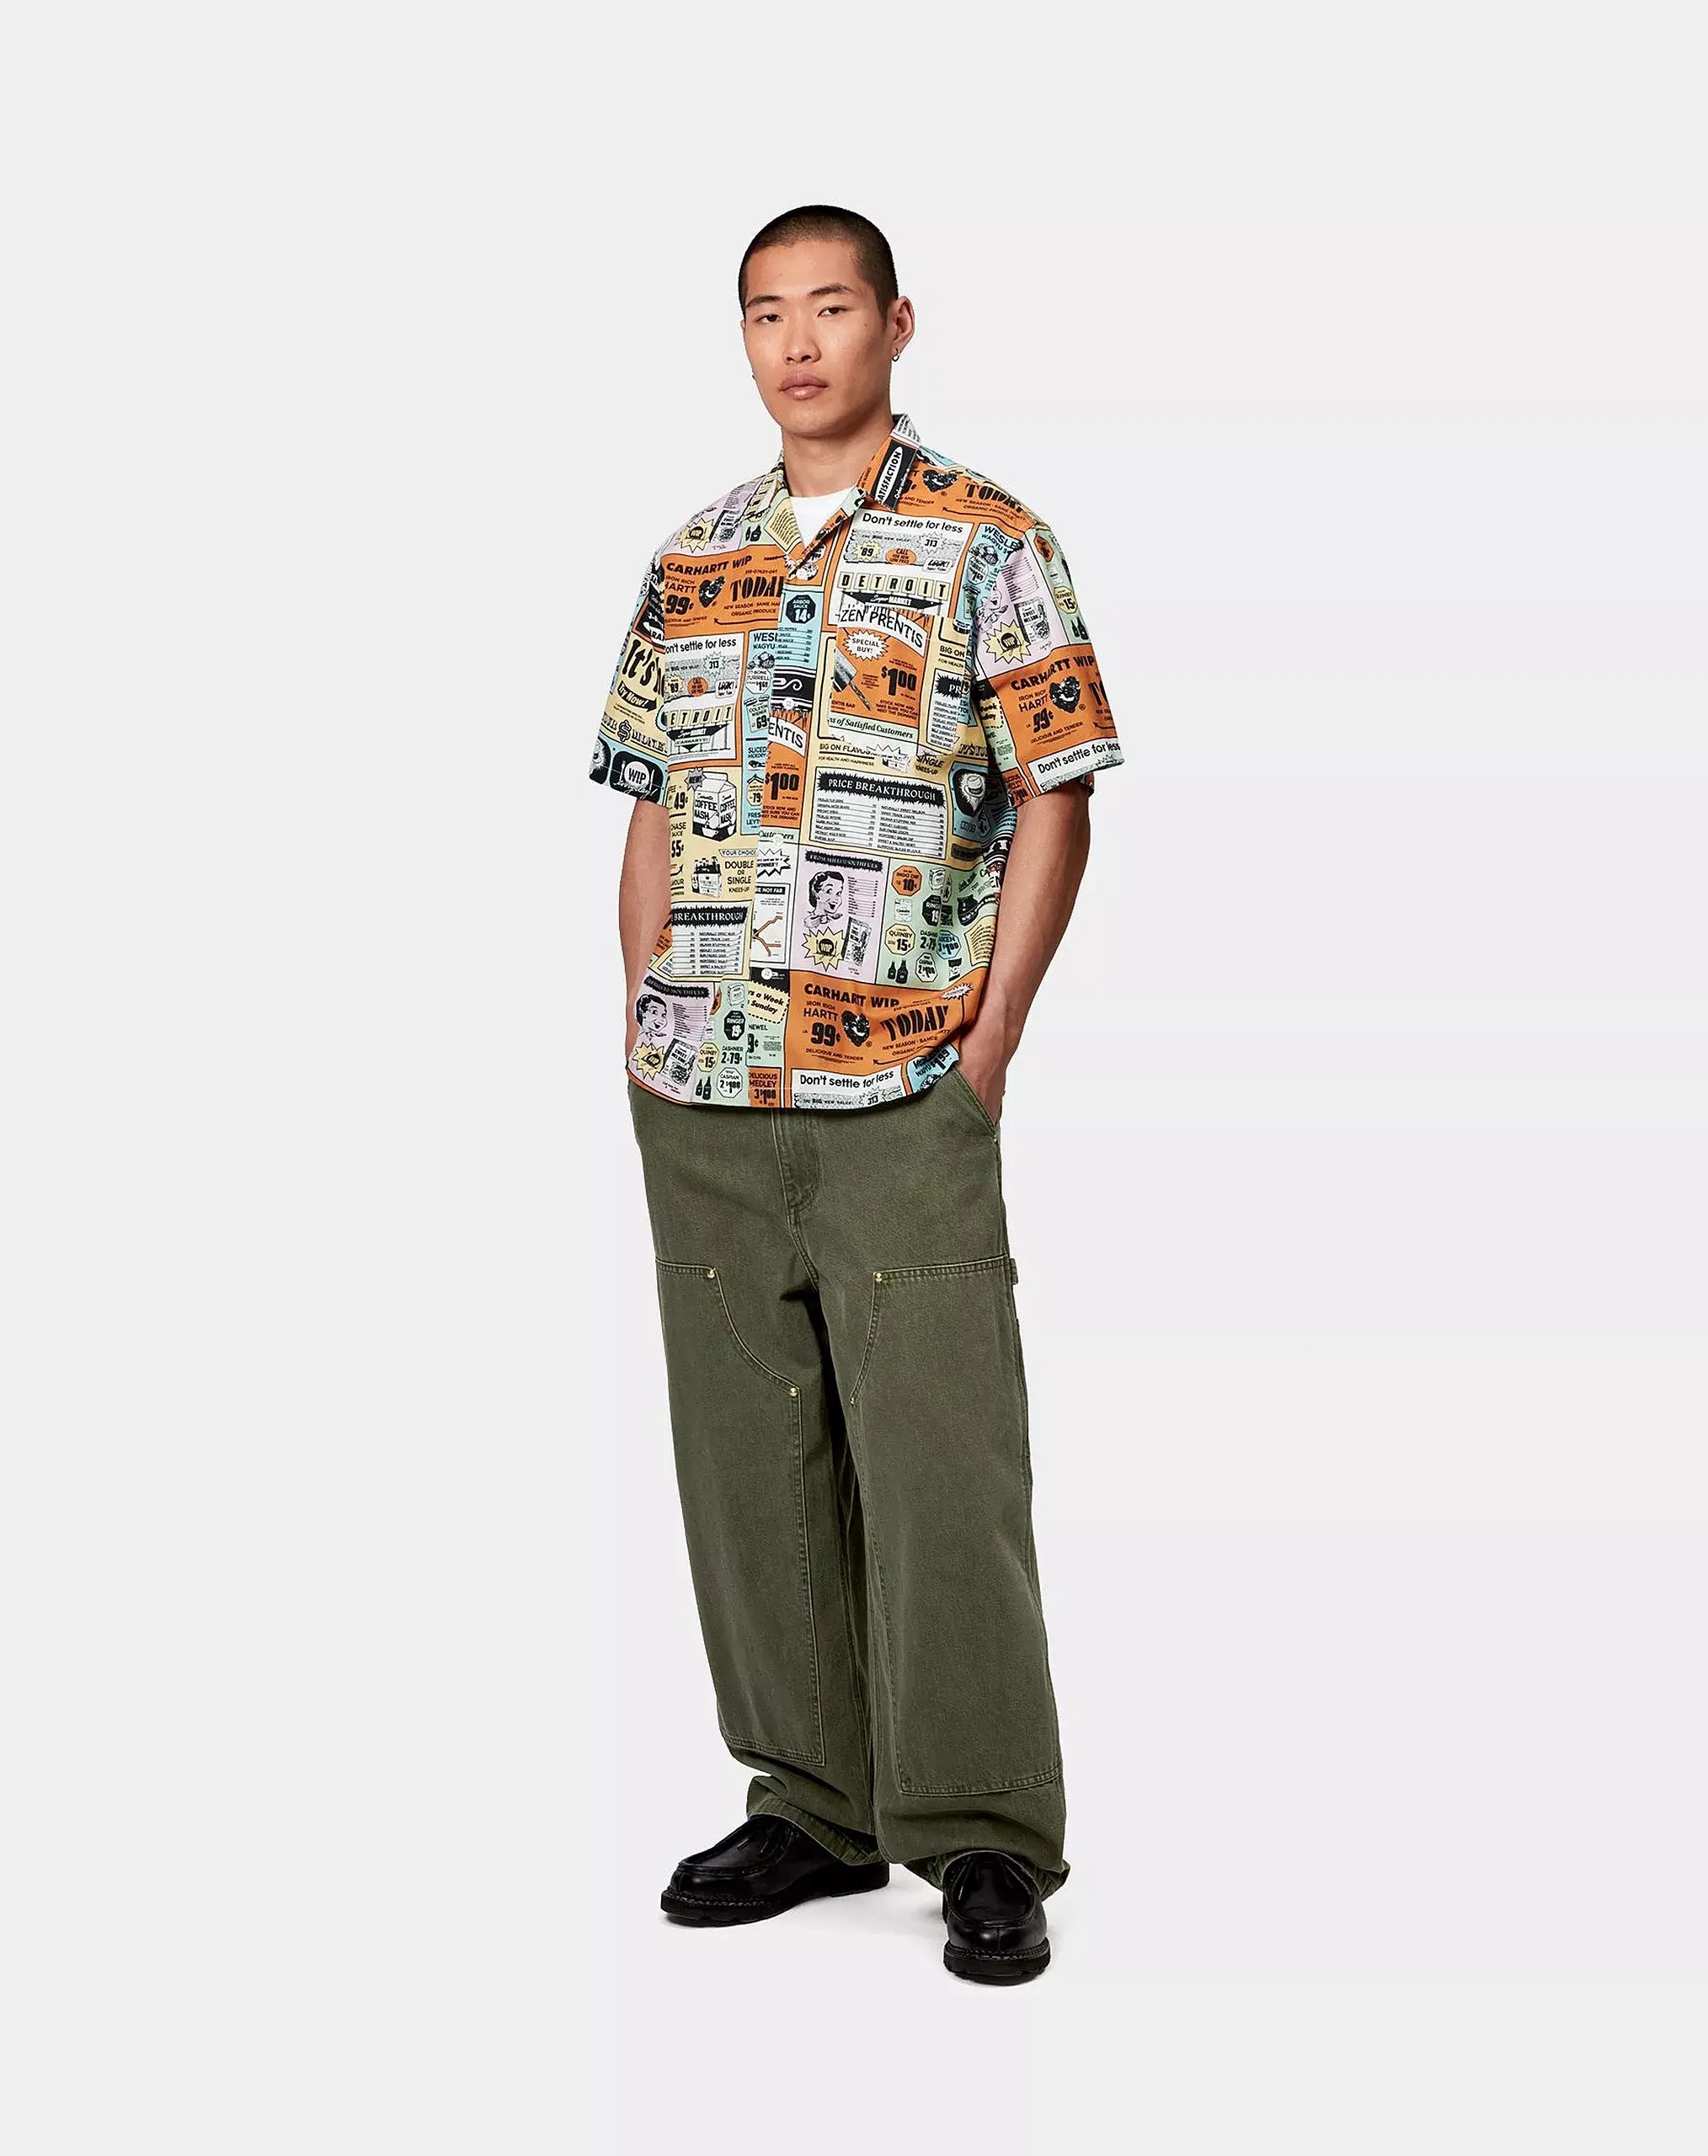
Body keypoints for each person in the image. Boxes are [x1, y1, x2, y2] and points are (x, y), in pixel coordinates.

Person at [588, 204, 1124, 1985]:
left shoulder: (989, 541)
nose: (799, 342)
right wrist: (644, 1008)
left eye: (830, 307)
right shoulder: (693, 560)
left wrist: (994, 1037)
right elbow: (651, 799)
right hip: (706, 1083)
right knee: (748, 1460)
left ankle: (980, 1832)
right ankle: (813, 1802)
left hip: (900, 1081)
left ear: (895, 323)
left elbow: (1056, 788)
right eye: (767, 313)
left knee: (941, 1460)